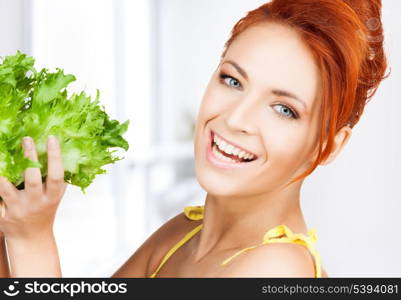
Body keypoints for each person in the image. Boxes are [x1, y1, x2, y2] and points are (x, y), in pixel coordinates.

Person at [0, 0, 388, 278]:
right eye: (232, 81)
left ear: (329, 145)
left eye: (284, 109)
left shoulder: (276, 269)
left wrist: (33, 240)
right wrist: (9, 224)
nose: (236, 119)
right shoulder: (182, 233)